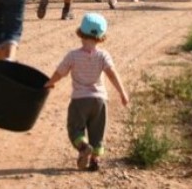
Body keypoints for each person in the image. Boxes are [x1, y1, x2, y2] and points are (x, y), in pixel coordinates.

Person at [44, 13, 130, 172]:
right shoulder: (103, 55)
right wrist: (122, 93)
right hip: (99, 101)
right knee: (97, 131)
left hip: (79, 100)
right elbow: (112, 74)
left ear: (81, 33)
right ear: (101, 37)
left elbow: (60, 72)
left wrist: (50, 83)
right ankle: (95, 161)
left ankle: (83, 146)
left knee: (75, 128)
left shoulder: (73, 56)